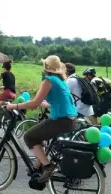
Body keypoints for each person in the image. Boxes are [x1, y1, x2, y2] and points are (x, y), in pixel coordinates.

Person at [6, 55, 77, 183]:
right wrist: (43, 103)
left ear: (46, 68)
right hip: (71, 121)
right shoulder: (61, 81)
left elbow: (34, 104)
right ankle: (38, 166)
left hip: (61, 121)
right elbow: (59, 101)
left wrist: (14, 106)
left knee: (29, 137)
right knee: (39, 136)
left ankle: (48, 166)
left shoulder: (48, 80)